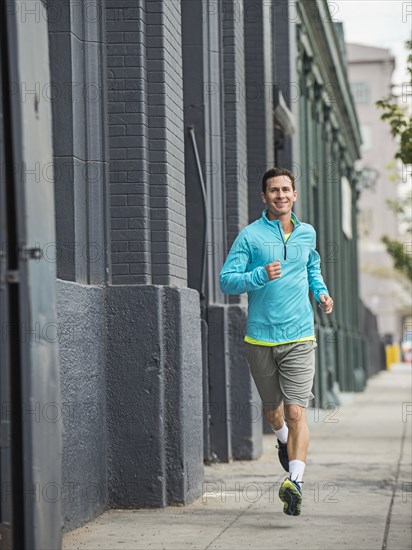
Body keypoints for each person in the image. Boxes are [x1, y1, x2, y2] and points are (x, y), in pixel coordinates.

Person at [219, 167, 334, 516]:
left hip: (300, 335)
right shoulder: (250, 236)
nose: (280, 195)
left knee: (297, 410)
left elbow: (311, 268)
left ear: (294, 195)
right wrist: (258, 275)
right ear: (264, 197)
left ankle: (293, 482)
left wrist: (322, 293)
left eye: (286, 189)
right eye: (274, 190)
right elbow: (227, 281)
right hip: (260, 338)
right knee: (274, 413)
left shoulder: (307, 233)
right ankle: (283, 441)